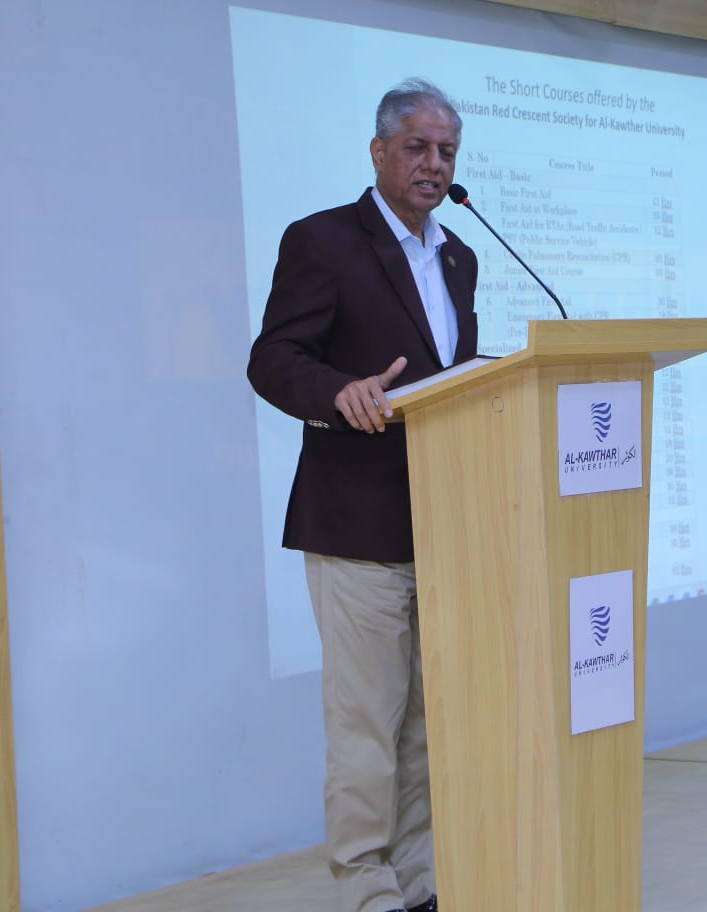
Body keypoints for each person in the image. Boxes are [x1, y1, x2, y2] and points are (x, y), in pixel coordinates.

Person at [247, 78, 479, 912]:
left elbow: (454, 384)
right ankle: (362, 878)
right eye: (416, 146)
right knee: (366, 723)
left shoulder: (459, 255)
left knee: (424, 723)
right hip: (356, 526)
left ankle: (419, 877)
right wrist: (337, 390)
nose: (433, 162)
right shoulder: (323, 241)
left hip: (442, 523)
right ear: (379, 152)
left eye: (446, 150)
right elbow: (272, 359)